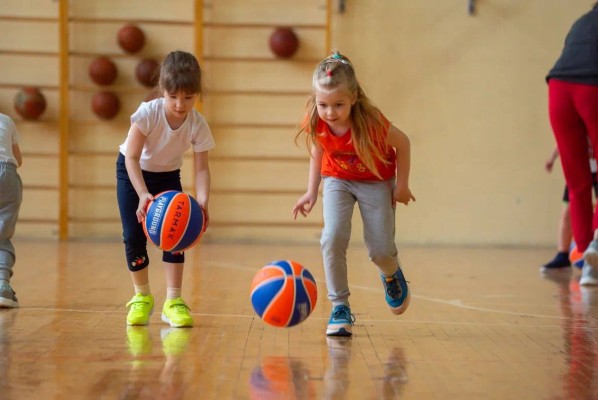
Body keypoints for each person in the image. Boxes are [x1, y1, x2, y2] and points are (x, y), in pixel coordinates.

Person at [292, 50, 415, 337]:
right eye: (323, 104)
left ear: (353, 99)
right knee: (332, 237)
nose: (330, 112)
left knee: (380, 250)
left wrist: (402, 185)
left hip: (376, 180)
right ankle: (340, 307)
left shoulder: (372, 124)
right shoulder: (317, 119)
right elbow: (318, 150)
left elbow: (404, 143)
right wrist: (312, 191)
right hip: (337, 179)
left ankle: (390, 272)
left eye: (338, 104)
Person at [116, 50, 214, 327]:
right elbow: (132, 158)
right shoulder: (148, 113)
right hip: (132, 173)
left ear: (197, 94)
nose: (180, 104)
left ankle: (173, 300)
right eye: (173, 97)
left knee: (177, 232)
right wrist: (143, 194)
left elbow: (202, 168)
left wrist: (203, 202)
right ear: (162, 90)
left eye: (188, 97)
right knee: (133, 235)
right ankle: (142, 296)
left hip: (168, 175)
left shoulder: (197, 124)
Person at [547, 2, 598, 285]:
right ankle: (596, 246)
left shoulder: (580, 22)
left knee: (578, 185)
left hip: (558, 91)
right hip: (592, 89)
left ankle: (589, 269)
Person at [542, 146, 598, 271]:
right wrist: (551, 159)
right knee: (567, 210)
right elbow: (562, 142)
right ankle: (562, 255)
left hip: (596, 170)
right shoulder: (576, 127)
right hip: (579, 170)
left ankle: (595, 248)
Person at [0, 113, 22, 308]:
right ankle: (2, 287)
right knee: (3, 235)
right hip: (8, 174)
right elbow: (18, 159)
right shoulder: (6, 120)